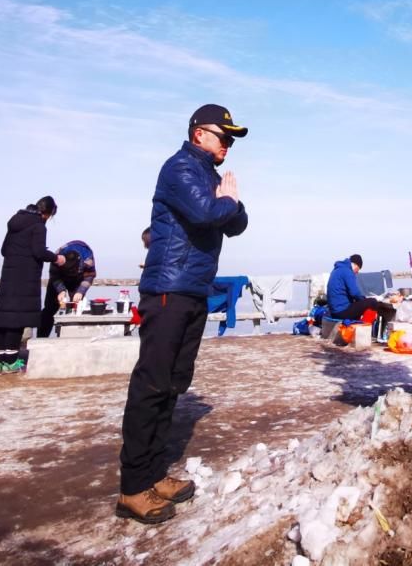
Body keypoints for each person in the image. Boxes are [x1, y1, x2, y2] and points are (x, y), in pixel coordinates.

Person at [118, 104, 249, 526]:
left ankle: (154, 474)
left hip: (192, 290)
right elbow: (207, 214)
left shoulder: (209, 176)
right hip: (169, 290)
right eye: (223, 137)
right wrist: (226, 201)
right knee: (152, 385)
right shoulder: (179, 169)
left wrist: (229, 200)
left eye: (231, 140)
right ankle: (133, 488)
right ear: (199, 134)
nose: (228, 145)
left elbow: (236, 223)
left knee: (174, 384)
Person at [0, 196, 64, 373]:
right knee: (17, 318)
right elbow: (38, 252)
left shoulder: (15, 222)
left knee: (4, 317)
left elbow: (4, 250)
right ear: (48, 213)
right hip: (26, 276)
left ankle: (1, 362)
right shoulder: (38, 225)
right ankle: (12, 362)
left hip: (9, 274)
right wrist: (56, 258)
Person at [37, 239, 97, 338]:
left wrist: (80, 291)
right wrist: (61, 290)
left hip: (78, 280)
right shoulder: (57, 257)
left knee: (76, 308)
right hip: (60, 278)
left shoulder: (88, 259)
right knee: (50, 309)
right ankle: (41, 338)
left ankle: (72, 338)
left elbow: (89, 275)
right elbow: (54, 276)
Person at [325, 254, 396, 327]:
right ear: (355, 265)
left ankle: (359, 323)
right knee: (373, 302)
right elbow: (354, 293)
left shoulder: (337, 270)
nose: (357, 272)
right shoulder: (347, 272)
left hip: (334, 311)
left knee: (360, 303)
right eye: (358, 269)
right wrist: (364, 299)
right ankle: (365, 327)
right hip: (341, 311)